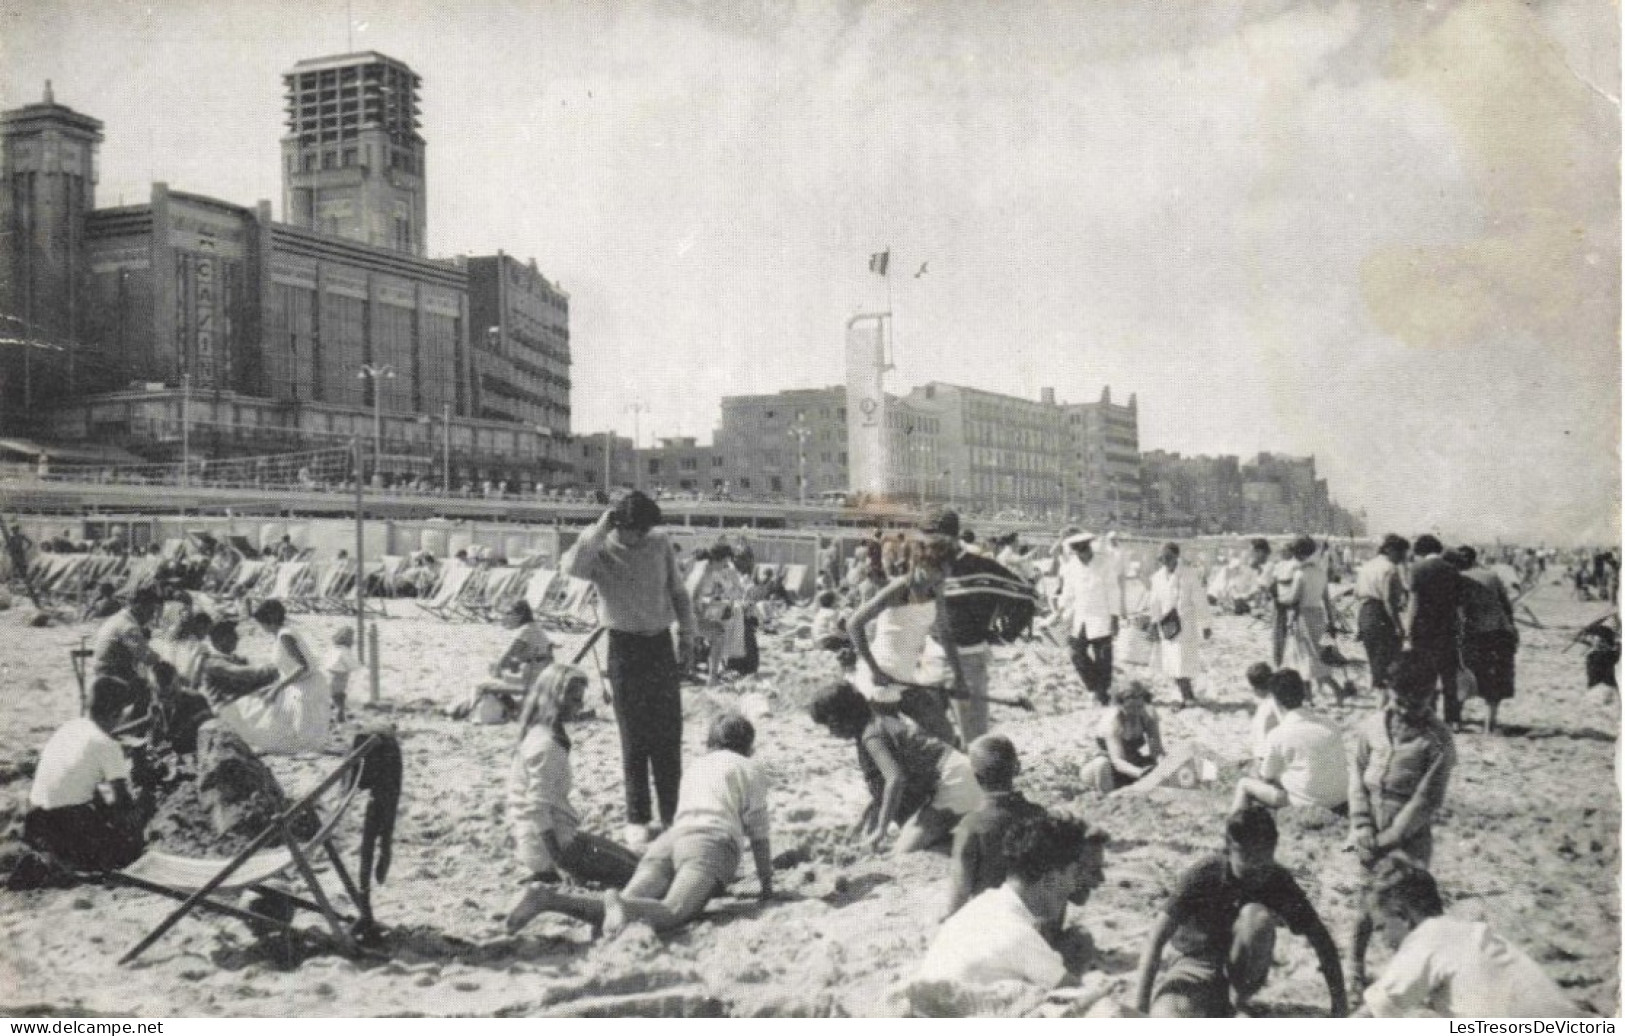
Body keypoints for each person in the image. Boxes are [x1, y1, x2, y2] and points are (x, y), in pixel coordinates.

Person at [510, 711, 774, 936]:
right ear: (748, 745)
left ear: (711, 743)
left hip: (670, 840)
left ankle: (548, 900)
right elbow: (758, 832)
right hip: (710, 841)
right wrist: (766, 884)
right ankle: (612, 905)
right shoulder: (749, 767)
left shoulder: (698, 765)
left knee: (630, 903)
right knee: (673, 912)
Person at [560, 491, 697, 848]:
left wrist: (688, 635)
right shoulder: (600, 548)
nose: (641, 537)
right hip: (623, 647)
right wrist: (598, 529)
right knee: (634, 738)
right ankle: (638, 816)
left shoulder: (659, 542)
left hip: (660, 644)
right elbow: (571, 569)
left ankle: (672, 814)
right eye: (636, 530)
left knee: (668, 736)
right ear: (619, 523)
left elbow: (679, 593)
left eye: (647, 529)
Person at [1134, 806, 1348, 1018]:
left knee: (1256, 917)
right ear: (1228, 850)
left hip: (1244, 971)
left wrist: (1340, 1006)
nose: (1257, 876)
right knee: (1168, 1015)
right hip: (1197, 962)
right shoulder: (1204, 874)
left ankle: (1238, 1002)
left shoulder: (1278, 879)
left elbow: (1322, 941)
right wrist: (1140, 1010)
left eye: (1263, 866)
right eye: (1248, 869)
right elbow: (1156, 938)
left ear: (1273, 850)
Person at [1347, 650, 1457, 993]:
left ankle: (1412, 978)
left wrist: (1389, 839)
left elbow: (1426, 800)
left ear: (1431, 696)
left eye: (1417, 703)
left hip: (1410, 836)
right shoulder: (1371, 727)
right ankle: (1354, 966)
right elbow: (1356, 778)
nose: (1406, 711)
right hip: (1370, 829)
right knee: (1365, 903)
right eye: (1399, 701)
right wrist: (1362, 826)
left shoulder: (1438, 741)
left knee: (1411, 909)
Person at [505, 664, 642, 933]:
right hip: (555, 844)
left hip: (550, 838)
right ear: (555, 698)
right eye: (574, 699)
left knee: (636, 861)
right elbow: (537, 809)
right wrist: (561, 861)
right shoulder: (546, 746)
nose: (579, 706)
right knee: (642, 874)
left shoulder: (540, 733)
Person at [1354, 859, 1578, 1018]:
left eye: (1382, 927)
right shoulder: (1473, 934)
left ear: (1403, 916)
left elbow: (1377, 1006)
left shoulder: (1428, 936)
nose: (1382, 939)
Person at [914, 813, 1108, 993]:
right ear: (1051, 880)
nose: (1074, 887)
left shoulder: (986, 905)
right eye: (1073, 876)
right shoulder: (1018, 935)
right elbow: (1083, 1001)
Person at [810, 681, 984, 853]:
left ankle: (976, 843)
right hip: (958, 775)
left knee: (905, 850)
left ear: (844, 718)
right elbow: (886, 783)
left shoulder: (872, 736)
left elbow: (895, 779)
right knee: (911, 830)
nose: (831, 733)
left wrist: (881, 829)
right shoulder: (876, 721)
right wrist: (863, 819)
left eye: (831, 725)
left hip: (954, 782)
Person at [922, 509, 1035, 743]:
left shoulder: (982, 567)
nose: (929, 546)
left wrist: (1003, 635)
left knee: (974, 740)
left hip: (969, 662)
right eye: (926, 539)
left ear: (953, 538)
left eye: (935, 539)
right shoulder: (926, 567)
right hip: (930, 658)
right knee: (927, 737)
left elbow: (1026, 597)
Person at [846, 532, 965, 746]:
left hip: (906, 678)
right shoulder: (900, 589)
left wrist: (959, 676)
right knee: (892, 741)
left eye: (943, 575)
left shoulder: (935, 592)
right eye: (935, 571)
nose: (938, 579)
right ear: (920, 562)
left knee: (944, 733)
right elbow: (854, 624)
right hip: (880, 678)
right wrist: (875, 670)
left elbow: (946, 635)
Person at [23, 677, 149, 871]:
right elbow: (122, 801)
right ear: (117, 713)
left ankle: (47, 855)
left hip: (33, 819)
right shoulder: (106, 744)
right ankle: (51, 865)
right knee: (127, 848)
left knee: (96, 810)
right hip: (66, 821)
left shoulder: (70, 727)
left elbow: (86, 782)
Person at [945, 734, 1048, 918]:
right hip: (1034, 914)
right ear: (1017, 768)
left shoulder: (971, 825)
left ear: (974, 777)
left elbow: (961, 890)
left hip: (992, 917)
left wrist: (946, 919)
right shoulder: (1038, 814)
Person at [212, 599, 332, 755]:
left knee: (302, 742)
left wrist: (277, 688)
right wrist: (273, 686)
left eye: (261, 623)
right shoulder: (283, 634)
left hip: (306, 687)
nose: (261, 628)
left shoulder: (285, 636)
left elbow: (303, 667)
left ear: (269, 620)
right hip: (298, 685)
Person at [1232, 669, 1348, 813]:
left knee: (1244, 783)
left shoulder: (1278, 734)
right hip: (1341, 797)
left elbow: (1267, 776)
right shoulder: (1329, 724)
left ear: (1276, 700)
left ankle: (1234, 827)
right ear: (1304, 693)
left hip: (1307, 803)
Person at [1454, 546, 1519, 734]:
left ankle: (1456, 721)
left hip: (1472, 635)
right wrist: (1512, 628)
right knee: (1496, 677)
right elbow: (1506, 606)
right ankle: (1490, 723)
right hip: (1498, 631)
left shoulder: (1458, 578)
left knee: (1465, 675)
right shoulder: (1490, 576)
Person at [1057, 532, 1124, 706]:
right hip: (1081, 618)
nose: (1083, 553)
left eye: (1085, 548)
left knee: (1103, 659)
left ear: (1089, 547)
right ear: (1075, 551)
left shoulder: (1104, 563)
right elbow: (1068, 592)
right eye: (1078, 550)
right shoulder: (1072, 566)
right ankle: (1094, 687)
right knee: (1075, 653)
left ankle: (1103, 693)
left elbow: (1113, 591)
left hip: (1102, 616)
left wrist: (1115, 617)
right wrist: (1060, 609)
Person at [1406, 535, 1465, 727]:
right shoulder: (1452, 570)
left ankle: (1429, 712)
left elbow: (1413, 603)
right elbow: (1458, 604)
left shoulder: (1417, 569)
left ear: (1421, 551)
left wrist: (1408, 628)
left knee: (1426, 672)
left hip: (1423, 628)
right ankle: (1453, 718)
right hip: (1447, 628)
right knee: (1449, 674)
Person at [1280, 536, 1345, 704]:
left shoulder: (1300, 574)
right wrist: (1330, 621)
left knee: (1303, 657)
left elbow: (1293, 598)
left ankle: (1308, 698)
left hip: (1303, 616)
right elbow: (1327, 599)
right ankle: (1337, 690)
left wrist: (1280, 596)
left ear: (1299, 554)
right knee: (1319, 655)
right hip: (1318, 615)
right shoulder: (1320, 572)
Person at [1146, 543, 1211, 709]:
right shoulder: (1157, 577)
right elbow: (1154, 602)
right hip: (1166, 624)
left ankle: (1187, 695)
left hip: (1185, 623)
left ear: (1176, 556)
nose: (1165, 560)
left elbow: (1200, 601)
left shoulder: (1189, 574)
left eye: (1168, 556)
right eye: (1162, 557)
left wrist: (1205, 624)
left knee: (1183, 661)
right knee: (1171, 661)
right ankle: (1183, 695)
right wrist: (1153, 623)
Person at [1079, 680, 1165, 794]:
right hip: (1108, 767)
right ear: (1119, 704)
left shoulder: (1148, 714)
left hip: (1133, 761)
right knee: (1102, 764)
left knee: (1170, 760)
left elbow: (1157, 749)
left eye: (1139, 705)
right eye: (1130, 706)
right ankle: (1106, 798)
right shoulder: (1112, 721)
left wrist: (1163, 766)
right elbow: (1118, 761)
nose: (1135, 710)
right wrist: (1141, 773)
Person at [1354, 535, 1410, 692]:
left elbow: (1357, 593)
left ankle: (1377, 689)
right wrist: (1398, 626)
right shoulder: (1390, 569)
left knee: (1374, 659)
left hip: (1365, 612)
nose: (1404, 557)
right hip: (1382, 614)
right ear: (1391, 550)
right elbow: (1388, 601)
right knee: (1388, 660)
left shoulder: (1367, 566)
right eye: (1402, 552)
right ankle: (1383, 696)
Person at [687, 543, 748, 684]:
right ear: (721, 559)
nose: (726, 566)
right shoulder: (705, 572)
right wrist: (703, 615)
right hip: (687, 619)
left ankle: (708, 671)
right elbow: (693, 598)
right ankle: (713, 678)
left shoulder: (702, 566)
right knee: (719, 632)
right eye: (726, 562)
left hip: (684, 615)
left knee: (719, 623)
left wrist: (711, 606)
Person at [90, 586, 164, 680]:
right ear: (140, 607)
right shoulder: (128, 627)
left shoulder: (120, 617)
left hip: (102, 670)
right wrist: (163, 661)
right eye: (151, 611)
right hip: (111, 675)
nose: (152, 616)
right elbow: (147, 657)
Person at [1244, 662, 1281, 771]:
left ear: (1257, 689)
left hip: (1267, 762)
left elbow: (1262, 747)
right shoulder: (1280, 700)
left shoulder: (1266, 708)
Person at [324, 626, 362, 723]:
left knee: (335, 698)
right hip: (339, 678)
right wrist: (358, 665)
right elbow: (351, 664)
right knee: (340, 699)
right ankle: (339, 720)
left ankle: (331, 718)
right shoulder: (344, 651)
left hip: (330, 676)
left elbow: (326, 662)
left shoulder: (333, 649)